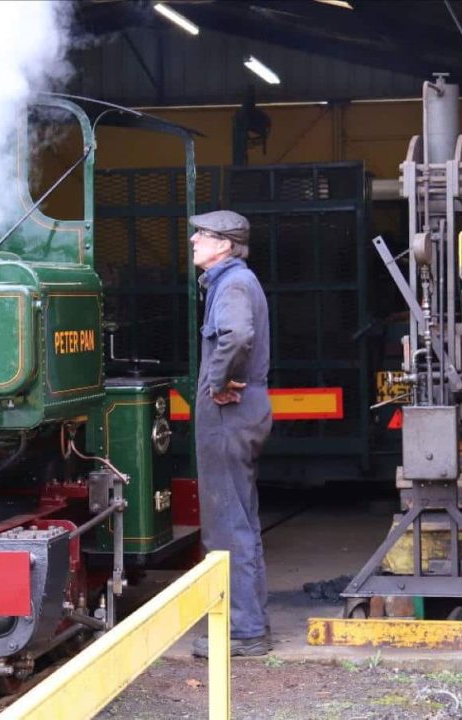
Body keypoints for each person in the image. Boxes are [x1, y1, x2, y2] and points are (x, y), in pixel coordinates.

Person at [187, 210, 274, 658]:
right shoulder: (233, 282)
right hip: (244, 411)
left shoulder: (233, 284)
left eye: (202, 235)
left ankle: (242, 630)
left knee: (227, 523)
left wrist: (217, 383)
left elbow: (237, 335)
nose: (194, 241)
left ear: (224, 244)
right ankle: (250, 620)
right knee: (240, 517)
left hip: (231, 414)